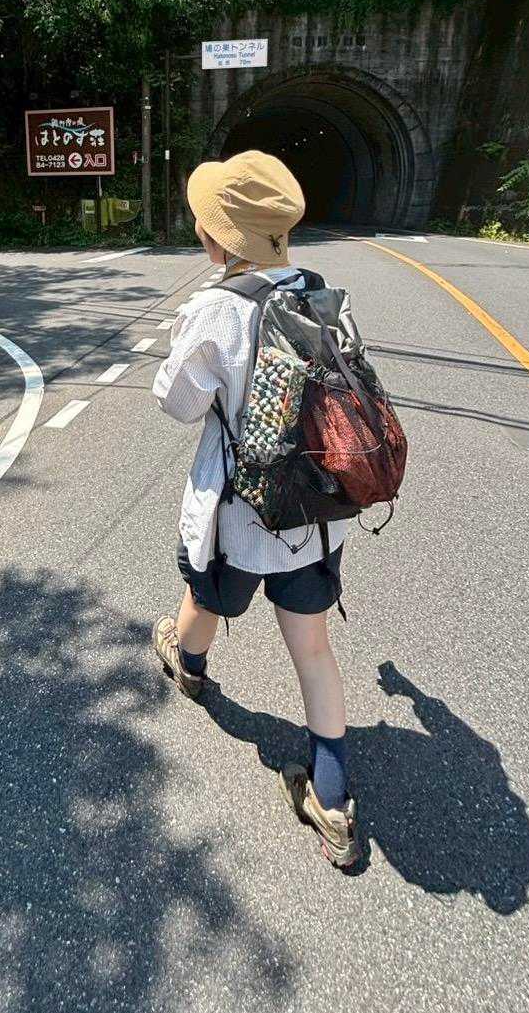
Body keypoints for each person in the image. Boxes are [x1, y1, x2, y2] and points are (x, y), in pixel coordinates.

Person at [151, 150, 360, 868]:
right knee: (312, 648)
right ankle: (332, 803)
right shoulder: (319, 292)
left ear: (220, 237)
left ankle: (188, 664)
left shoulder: (217, 307)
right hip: (313, 512)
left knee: (205, 598)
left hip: (237, 515)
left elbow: (178, 403)